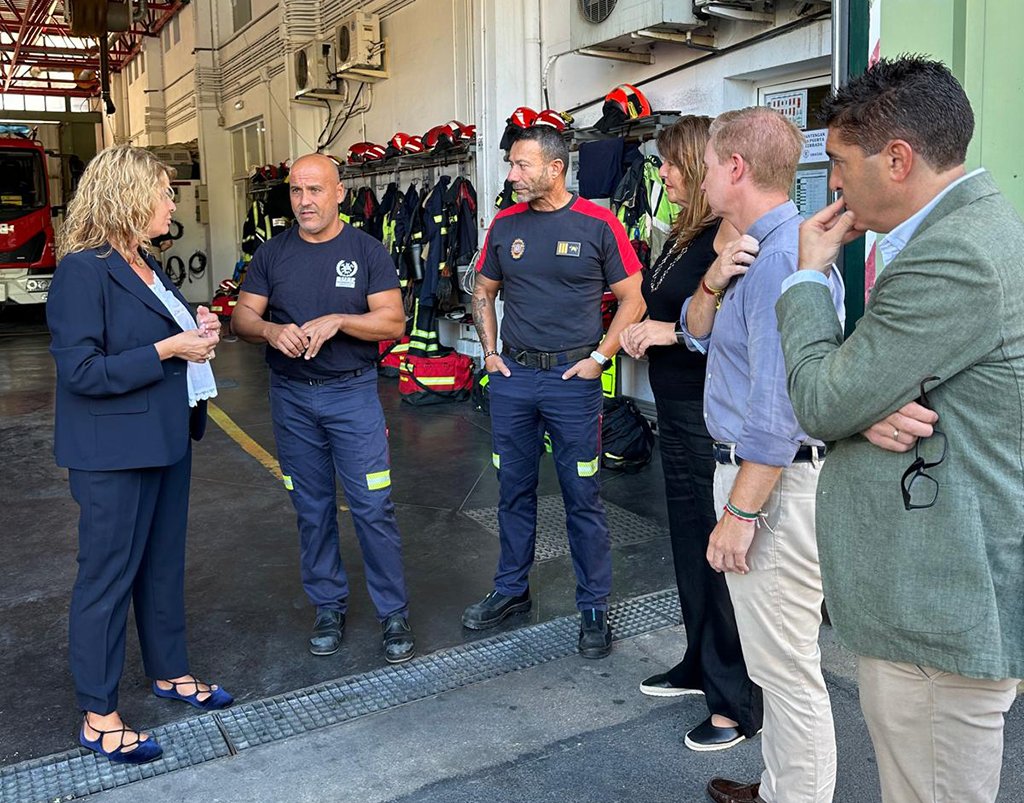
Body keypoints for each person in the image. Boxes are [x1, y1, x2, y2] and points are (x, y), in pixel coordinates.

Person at [777, 56, 1024, 803]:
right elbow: (863, 387)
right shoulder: (971, 228)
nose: (834, 185)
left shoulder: (955, 253)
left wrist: (808, 276)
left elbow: (821, 399)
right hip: (934, 602)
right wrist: (864, 402)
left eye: (841, 164)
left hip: (938, 611)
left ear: (898, 158)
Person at [675, 107, 845, 803]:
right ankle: (782, 786)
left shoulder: (780, 258)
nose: (703, 177)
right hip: (757, 473)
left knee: (787, 667)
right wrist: (712, 280)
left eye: (709, 165)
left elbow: (782, 406)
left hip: (766, 481)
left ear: (735, 169)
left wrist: (741, 511)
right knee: (776, 659)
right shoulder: (753, 251)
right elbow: (695, 336)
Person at [47, 144, 231, 765]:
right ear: (127, 194)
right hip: (113, 453)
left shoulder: (148, 266)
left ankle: (170, 671)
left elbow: (161, 336)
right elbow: (81, 371)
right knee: (106, 578)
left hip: (164, 440)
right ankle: (99, 714)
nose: (172, 202)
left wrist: (196, 330)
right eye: (164, 191)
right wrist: (169, 350)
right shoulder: (83, 270)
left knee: (161, 567)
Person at [464, 125, 645, 659]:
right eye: (512, 165)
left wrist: (599, 358)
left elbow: (632, 299)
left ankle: (593, 606)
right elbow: (483, 289)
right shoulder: (504, 223)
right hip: (514, 380)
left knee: (581, 496)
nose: (512, 175)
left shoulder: (599, 223)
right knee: (511, 490)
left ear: (555, 167)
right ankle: (512, 588)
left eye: (522, 166)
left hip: (573, 383)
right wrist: (490, 355)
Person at [232, 153, 416, 665]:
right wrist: (271, 330)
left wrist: (340, 319)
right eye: (296, 191)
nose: (304, 201)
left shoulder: (367, 250)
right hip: (291, 398)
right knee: (311, 509)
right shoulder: (273, 253)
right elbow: (241, 318)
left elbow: (392, 322)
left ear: (339, 193)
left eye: (315, 190)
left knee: (373, 506)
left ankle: (393, 612)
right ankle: (328, 605)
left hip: (351, 395)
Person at [619, 116, 763, 752]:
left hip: (708, 414)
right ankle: (698, 664)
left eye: (675, 167)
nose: (669, 177)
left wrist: (667, 333)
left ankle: (734, 703)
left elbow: (733, 331)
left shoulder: (732, 233)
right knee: (686, 546)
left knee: (719, 556)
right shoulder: (684, 233)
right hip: (674, 408)